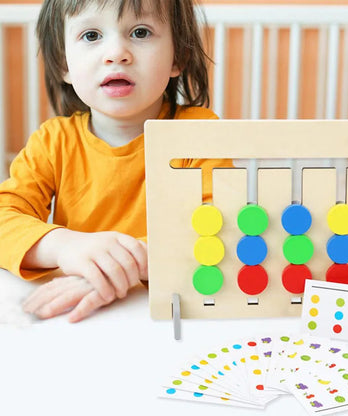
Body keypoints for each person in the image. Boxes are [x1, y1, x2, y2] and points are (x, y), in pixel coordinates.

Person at [0, 0, 229, 323]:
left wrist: (122, 265)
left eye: (140, 31)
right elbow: (4, 217)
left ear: (178, 56)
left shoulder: (196, 135)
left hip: (170, 312)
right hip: (77, 316)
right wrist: (66, 247)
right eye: (92, 35)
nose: (116, 53)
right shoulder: (53, 142)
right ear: (63, 63)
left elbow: (221, 227)